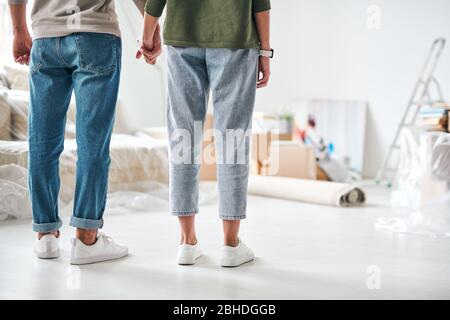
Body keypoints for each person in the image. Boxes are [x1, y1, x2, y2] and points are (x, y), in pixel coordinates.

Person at [8, 0, 160, 265]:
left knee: (42, 142)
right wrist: (151, 24)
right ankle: (87, 238)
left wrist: (19, 29)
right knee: (93, 142)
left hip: (46, 36)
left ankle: (45, 235)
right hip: (95, 33)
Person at [137, 0, 272, 267]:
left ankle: (187, 242)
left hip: (182, 37)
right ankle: (231, 245)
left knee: (183, 137)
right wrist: (265, 53)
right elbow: (260, 2)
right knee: (232, 138)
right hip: (235, 38)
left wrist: (147, 35)